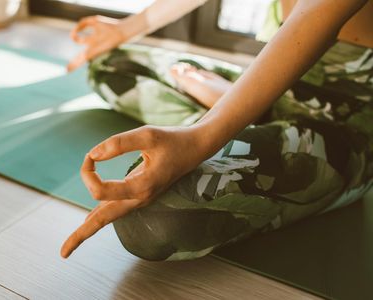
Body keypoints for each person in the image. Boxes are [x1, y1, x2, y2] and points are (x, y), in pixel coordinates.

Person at [60, 0, 373, 260]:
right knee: (111, 64)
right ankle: (245, 117)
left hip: (348, 127)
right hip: (278, 89)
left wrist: (204, 134)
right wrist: (127, 27)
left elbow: (314, 13)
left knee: (154, 219)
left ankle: (237, 120)